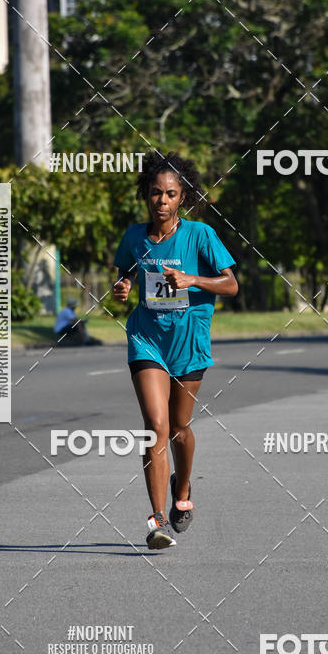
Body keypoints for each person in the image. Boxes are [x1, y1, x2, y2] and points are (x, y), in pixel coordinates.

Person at [113, 151, 238, 549]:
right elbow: (125, 274)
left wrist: (192, 280)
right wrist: (123, 287)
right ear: (146, 195)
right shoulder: (134, 236)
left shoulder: (201, 235)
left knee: (181, 429)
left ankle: (181, 489)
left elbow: (231, 284)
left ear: (182, 197)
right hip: (147, 338)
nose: (161, 201)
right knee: (156, 426)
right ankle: (158, 520)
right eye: (155, 193)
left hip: (188, 343)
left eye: (169, 194)